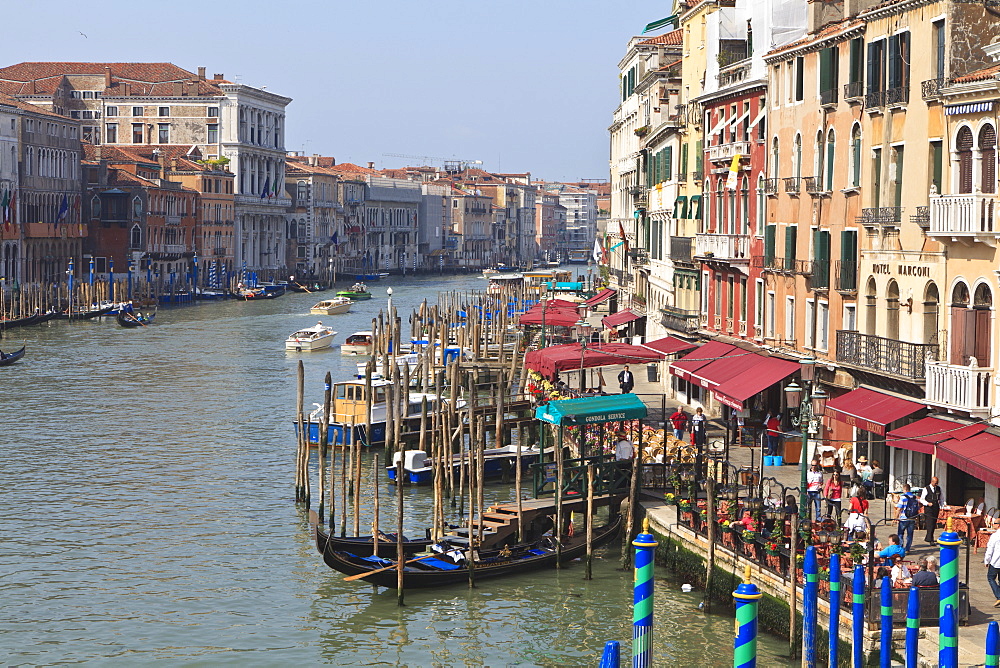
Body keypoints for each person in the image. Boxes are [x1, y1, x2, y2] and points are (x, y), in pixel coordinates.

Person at [896, 482, 919, 553]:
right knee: (910, 534)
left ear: (905, 489)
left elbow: (899, 508)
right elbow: (917, 509)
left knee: (900, 533)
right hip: (912, 518)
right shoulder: (915, 497)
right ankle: (907, 549)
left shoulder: (903, 497)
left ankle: (900, 548)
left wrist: (896, 517)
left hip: (904, 518)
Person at [920, 476, 943, 543]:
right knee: (929, 523)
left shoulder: (939, 489)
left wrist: (942, 506)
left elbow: (941, 498)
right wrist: (927, 503)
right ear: (932, 482)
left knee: (934, 522)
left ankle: (928, 537)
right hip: (928, 508)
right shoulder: (926, 489)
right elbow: (922, 499)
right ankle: (931, 539)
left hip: (936, 507)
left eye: (937, 483)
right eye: (935, 483)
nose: (936, 484)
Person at [984, 522, 1000, 608]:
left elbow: (990, 549)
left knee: (991, 578)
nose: (993, 524)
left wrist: (987, 560)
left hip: (996, 562)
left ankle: (999, 596)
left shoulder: (995, 536)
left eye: (995, 523)